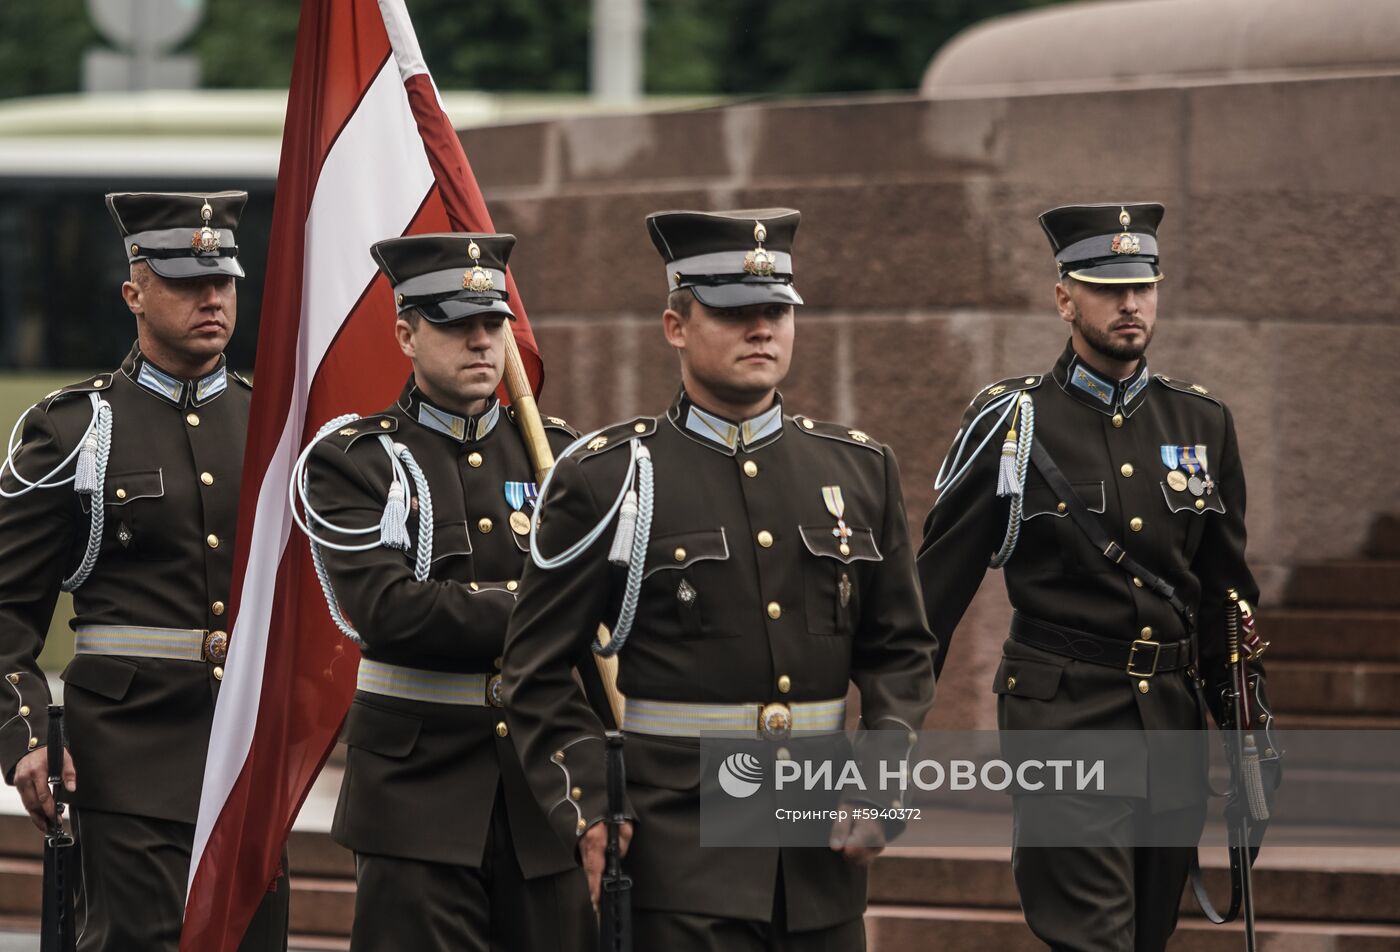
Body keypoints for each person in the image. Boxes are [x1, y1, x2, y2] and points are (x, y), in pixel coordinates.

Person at [501, 207, 937, 950]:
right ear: (676, 325)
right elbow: (534, 673)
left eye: (776, 311)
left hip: (818, 857)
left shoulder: (859, 470)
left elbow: (900, 649)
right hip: (680, 855)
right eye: (736, 313)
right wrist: (590, 806)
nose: (761, 329)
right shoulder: (609, 479)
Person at [916, 202, 1277, 952]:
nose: (1130, 303)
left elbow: (1224, 594)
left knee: (1145, 937)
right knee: (1094, 939)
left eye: (1144, 286)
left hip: (1170, 725)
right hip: (1063, 715)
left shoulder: (1201, 423)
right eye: (1108, 288)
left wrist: (1247, 732)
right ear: (1064, 298)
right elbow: (931, 599)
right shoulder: (1012, 424)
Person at [0, 192, 288, 950]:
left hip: (248, 762)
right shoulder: (76, 431)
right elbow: (5, 611)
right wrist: (26, 731)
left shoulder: (273, 431)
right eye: (189, 282)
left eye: (223, 281)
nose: (213, 299)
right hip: (124, 761)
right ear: (135, 293)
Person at [294, 232, 595, 952]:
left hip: (542, 793)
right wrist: (552, 607)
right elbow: (390, 612)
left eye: (493, 324)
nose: (481, 341)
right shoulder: (357, 462)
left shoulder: (558, 456)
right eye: (457, 324)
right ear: (406, 332)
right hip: (416, 801)